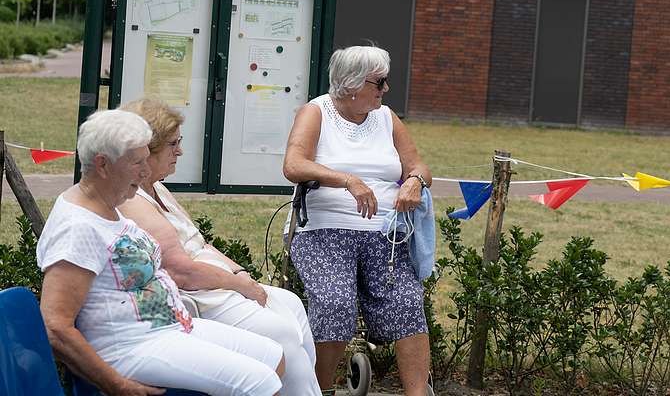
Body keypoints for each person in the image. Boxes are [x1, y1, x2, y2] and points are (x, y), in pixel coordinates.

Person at [37, 109, 285, 396]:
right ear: (103, 165)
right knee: (260, 382)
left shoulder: (108, 205)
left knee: (273, 356)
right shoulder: (77, 227)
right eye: (137, 162)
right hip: (128, 347)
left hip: (167, 328)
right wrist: (117, 385)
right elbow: (55, 327)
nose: (146, 172)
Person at [118, 99, 320, 396]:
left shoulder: (157, 187)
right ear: (148, 149)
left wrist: (239, 272)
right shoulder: (134, 201)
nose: (180, 151)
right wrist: (238, 284)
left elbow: (199, 242)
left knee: (291, 304)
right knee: (281, 332)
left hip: (216, 284)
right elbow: (180, 272)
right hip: (198, 296)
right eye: (173, 144)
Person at [283, 45, 432, 396]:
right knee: (334, 303)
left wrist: (414, 181)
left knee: (407, 302)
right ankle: (317, 391)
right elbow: (293, 165)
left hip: (384, 234)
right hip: (324, 232)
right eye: (379, 82)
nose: (385, 89)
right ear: (352, 83)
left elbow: (418, 166)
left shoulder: (387, 118)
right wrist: (347, 180)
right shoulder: (316, 112)